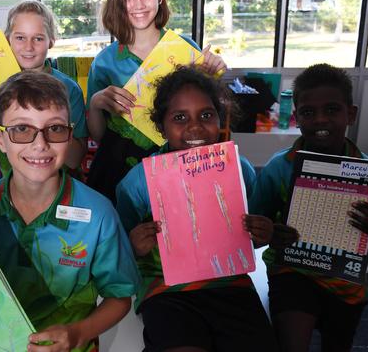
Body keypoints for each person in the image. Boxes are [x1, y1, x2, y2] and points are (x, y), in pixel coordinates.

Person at [0, 71, 139, 352]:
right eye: (22, 129)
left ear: (70, 135)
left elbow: (119, 297)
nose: (40, 144)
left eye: (54, 129)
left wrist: (78, 332)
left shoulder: (98, 214)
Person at [248, 63, 368, 352]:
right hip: (292, 272)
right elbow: (253, 229)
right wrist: (272, 233)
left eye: (332, 110)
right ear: (297, 118)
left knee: (339, 344)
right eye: (309, 113)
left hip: (346, 281)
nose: (321, 120)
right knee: (291, 342)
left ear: (351, 113)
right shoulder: (279, 167)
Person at [116, 65, 278, 352]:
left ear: (220, 118)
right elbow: (121, 253)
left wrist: (259, 234)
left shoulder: (239, 169)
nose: (195, 127)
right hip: (167, 289)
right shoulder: (138, 182)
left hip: (230, 285)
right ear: (161, 127)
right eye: (180, 117)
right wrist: (134, 246)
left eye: (206, 115)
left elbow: (244, 238)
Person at [86, 0, 225, 203]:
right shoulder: (104, 62)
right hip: (116, 171)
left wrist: (214, 76)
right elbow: (98, 136)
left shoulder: (185, 49)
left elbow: (208, 117)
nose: (138, 5)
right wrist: (97, 102)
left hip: (176, 168)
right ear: (118, 1)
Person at [0, 0, 88, 175]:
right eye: (20, 38)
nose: (28, 47)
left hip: (61, 187)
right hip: (13, 189)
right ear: (7, 40)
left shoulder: (68, 89)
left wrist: (54, 127)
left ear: (51, 41)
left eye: (38, 38)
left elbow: (75, 159)